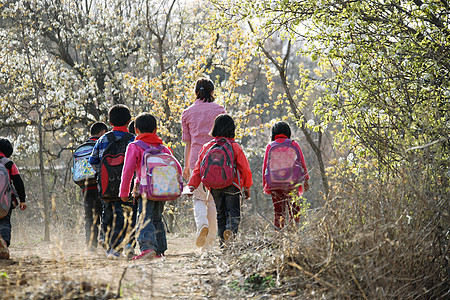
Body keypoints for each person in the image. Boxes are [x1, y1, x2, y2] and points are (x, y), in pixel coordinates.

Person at [188, 114, 253, 248]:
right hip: (232, 185)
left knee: (220, 214)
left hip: (214, 187)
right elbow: (245, 169)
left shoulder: (207, 146)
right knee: (233, 212)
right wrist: (247, 186)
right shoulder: (235, 146)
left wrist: (192, 185)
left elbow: (198, 168)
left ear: (215, 128)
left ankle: (223, 244)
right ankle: (230, 231)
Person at [120, 113, 174, 260]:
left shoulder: (134, 146)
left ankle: (148, 247)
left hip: (145, 190)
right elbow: (174, 166)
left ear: (136, 130)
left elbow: (128, 171)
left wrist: (124, 191)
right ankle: (159, 250)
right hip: (162, 190)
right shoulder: (164, 148)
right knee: (157, 217)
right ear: (156, 130)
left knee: (144, 217)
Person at [181, 78, 226, 249]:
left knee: (198, 199)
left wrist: (186, 166)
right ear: (212, 91)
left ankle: (202, 226)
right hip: (217, 161)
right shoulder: (220, 109)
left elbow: (188, 143)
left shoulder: (187, 112)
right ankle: (210, 242)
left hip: (196, 162)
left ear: (195, 92)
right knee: (213, 201)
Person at [89, 104, 135, 259]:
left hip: (106, 187)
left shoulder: (103, 139)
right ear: (129, 121)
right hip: (127, 187)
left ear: (110, 122)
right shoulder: (132, 139)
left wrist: (103, 175)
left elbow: (93, 161)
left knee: (108, 215)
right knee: (128, 215)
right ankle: (127, 245)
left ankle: (111, 247)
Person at [262, 121, 309, 230]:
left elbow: (265, 166)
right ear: (288, 132)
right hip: (292, 184)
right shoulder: (293, 144)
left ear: (273, 133)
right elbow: (302, 162)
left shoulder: (270, 146)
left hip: (274, 184)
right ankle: (294, 234)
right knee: (295, 210)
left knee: (278, 212)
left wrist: (265, 184)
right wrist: (306, 178)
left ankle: (278, 237)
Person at [80, 122, 107, 253]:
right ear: (102, 132)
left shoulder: (82, 147)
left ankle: (90, 245)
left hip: (86, 188)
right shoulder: (103, 143)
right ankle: (104, 239)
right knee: (105, 214)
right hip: (101, 186)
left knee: (90, 217)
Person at [0, 138, 27, 259]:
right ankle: (3, 244)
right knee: (5, 222)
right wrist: (22, 200)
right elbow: (18, 182)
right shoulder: (8, 163)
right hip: (5, 200)